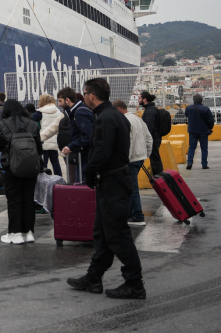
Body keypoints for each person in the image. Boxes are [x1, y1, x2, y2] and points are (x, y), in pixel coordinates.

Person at [67, 78, 146, 300]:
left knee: (118, 235)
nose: (84, 97)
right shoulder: (115, 115)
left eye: (84, 94)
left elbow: (102, 151)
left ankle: (134, 283)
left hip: (112, 182)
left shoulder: (105, 118)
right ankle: (94, 277)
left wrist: (89, 173)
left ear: (91, 96)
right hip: (114, 180)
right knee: (102, 234)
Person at [0, 99, 43, 244]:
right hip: (31, 167)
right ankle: (28, 232)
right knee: (28, 199)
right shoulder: (32, 123)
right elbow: (39, 148)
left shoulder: (3, 124)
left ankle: (15, 233)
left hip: (12, 167)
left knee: (14, 200)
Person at [115, 100, 152, 226]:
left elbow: (128, 142)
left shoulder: (124, 120)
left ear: (119, 109)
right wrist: (145, 154)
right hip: (139, 157)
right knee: (130, 187)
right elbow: (149, 139)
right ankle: (131, 214)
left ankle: (138, 216)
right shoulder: (138, 119)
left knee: (132, 188)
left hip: (131, 159)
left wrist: (125, 160)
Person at [58, 87, 95, 180]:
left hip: (86, 156)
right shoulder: (80, 110)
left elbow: (89, 135)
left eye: (60, 101)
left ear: (67, 100)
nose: (59, 104)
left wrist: (71, 146)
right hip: (86, 155)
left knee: (82, 183)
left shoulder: (79, 113)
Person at [138, 91, 165, 179]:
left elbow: (148, 127)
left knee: (155, 159)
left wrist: (145, 139)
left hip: (153, 138)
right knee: (155, 158)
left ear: (145, 99)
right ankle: (158, 177)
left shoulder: (150, 111)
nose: (138, 100)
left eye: (139, 98)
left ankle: (159, 178)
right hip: (154, 137)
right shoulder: (150, 109)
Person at [36, 93, 64, 176]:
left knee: (43, 163)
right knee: (55, 162)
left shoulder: (41, 112)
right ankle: (59, 178)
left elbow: (32, 119)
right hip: (54, 141)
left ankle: (44, 178)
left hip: (44, 140)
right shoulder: (58, 111)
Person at [185, 94, 214, 170]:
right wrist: (210, 128)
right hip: (203, 131)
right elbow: (211, 120)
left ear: (193, 100)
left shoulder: (188, 108)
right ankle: (204, 164)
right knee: (204, 148)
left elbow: (186, 115)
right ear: (201, 100)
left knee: (192, 147)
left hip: (192, 131)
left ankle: (189, 163)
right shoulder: (206, 109)